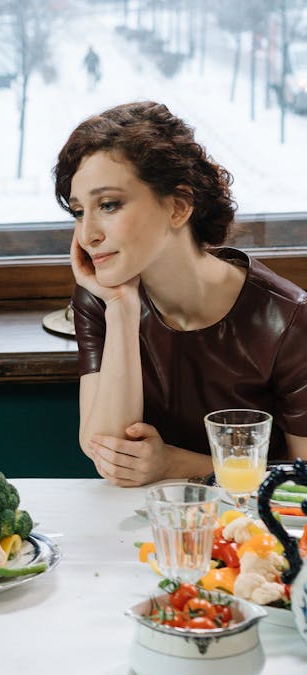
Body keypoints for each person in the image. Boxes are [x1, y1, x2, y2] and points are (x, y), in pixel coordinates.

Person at [53, 100, 307, 487]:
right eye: (77, 211)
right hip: (146, 526)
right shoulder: (101, 298)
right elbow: (108, 450)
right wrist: (121, 309)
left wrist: (175, 465)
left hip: (258, 531)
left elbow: (304, 478)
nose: (88, 235)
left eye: (108, 205)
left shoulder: (288, 320)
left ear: (178, 206)